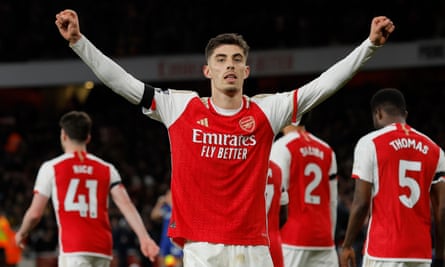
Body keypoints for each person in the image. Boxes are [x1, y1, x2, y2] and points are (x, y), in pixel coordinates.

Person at [55, 9, 394, 267]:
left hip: (254, 249)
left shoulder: (267, 110)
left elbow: (321, 86)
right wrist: (78, 43)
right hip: (203, 249)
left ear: (246, 71)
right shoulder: (180, 106)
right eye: (220, 60)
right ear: (208, 70)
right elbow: (123, 82)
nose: (229, 65)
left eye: (236, 59)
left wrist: (370, 47)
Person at [15, 111, 160, 267]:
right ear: (88, 138)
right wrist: (144, 238)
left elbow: (35, 213)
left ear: (63, 136)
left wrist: (22, 233)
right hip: (102, 249)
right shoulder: (107, 168)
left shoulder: (51, 168)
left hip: (74, 249)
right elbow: (126, 205)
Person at [339, 88, 445, 267]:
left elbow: (361, 202)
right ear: (405, 114)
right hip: (420, 254)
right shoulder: (435, 150)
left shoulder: (369, 143)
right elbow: (442, 209)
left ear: (378, 113)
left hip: (382, 251)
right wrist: (441, 254)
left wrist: (347, 245)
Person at [270, 115, 339, 267]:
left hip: (291, 240)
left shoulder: (281, 147)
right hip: (324, 239)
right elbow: (332, 201)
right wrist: (330, 236)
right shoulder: (327, 150)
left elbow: (276, 196)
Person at [151, 189, 183, 267]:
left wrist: (171, 203)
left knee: (177, 262)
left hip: (175, 239)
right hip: (165, 240)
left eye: (169, 194)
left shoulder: (179, 207)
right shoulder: (166, 208)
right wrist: (159, 203)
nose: (166, 196)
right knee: (161, 260)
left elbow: (175, 223)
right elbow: (153, 216)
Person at [265, 157, 288, 267]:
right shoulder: (277, 170)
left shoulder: (244, 168)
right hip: (273, 242)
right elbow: (284, 215)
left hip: (247, 243)